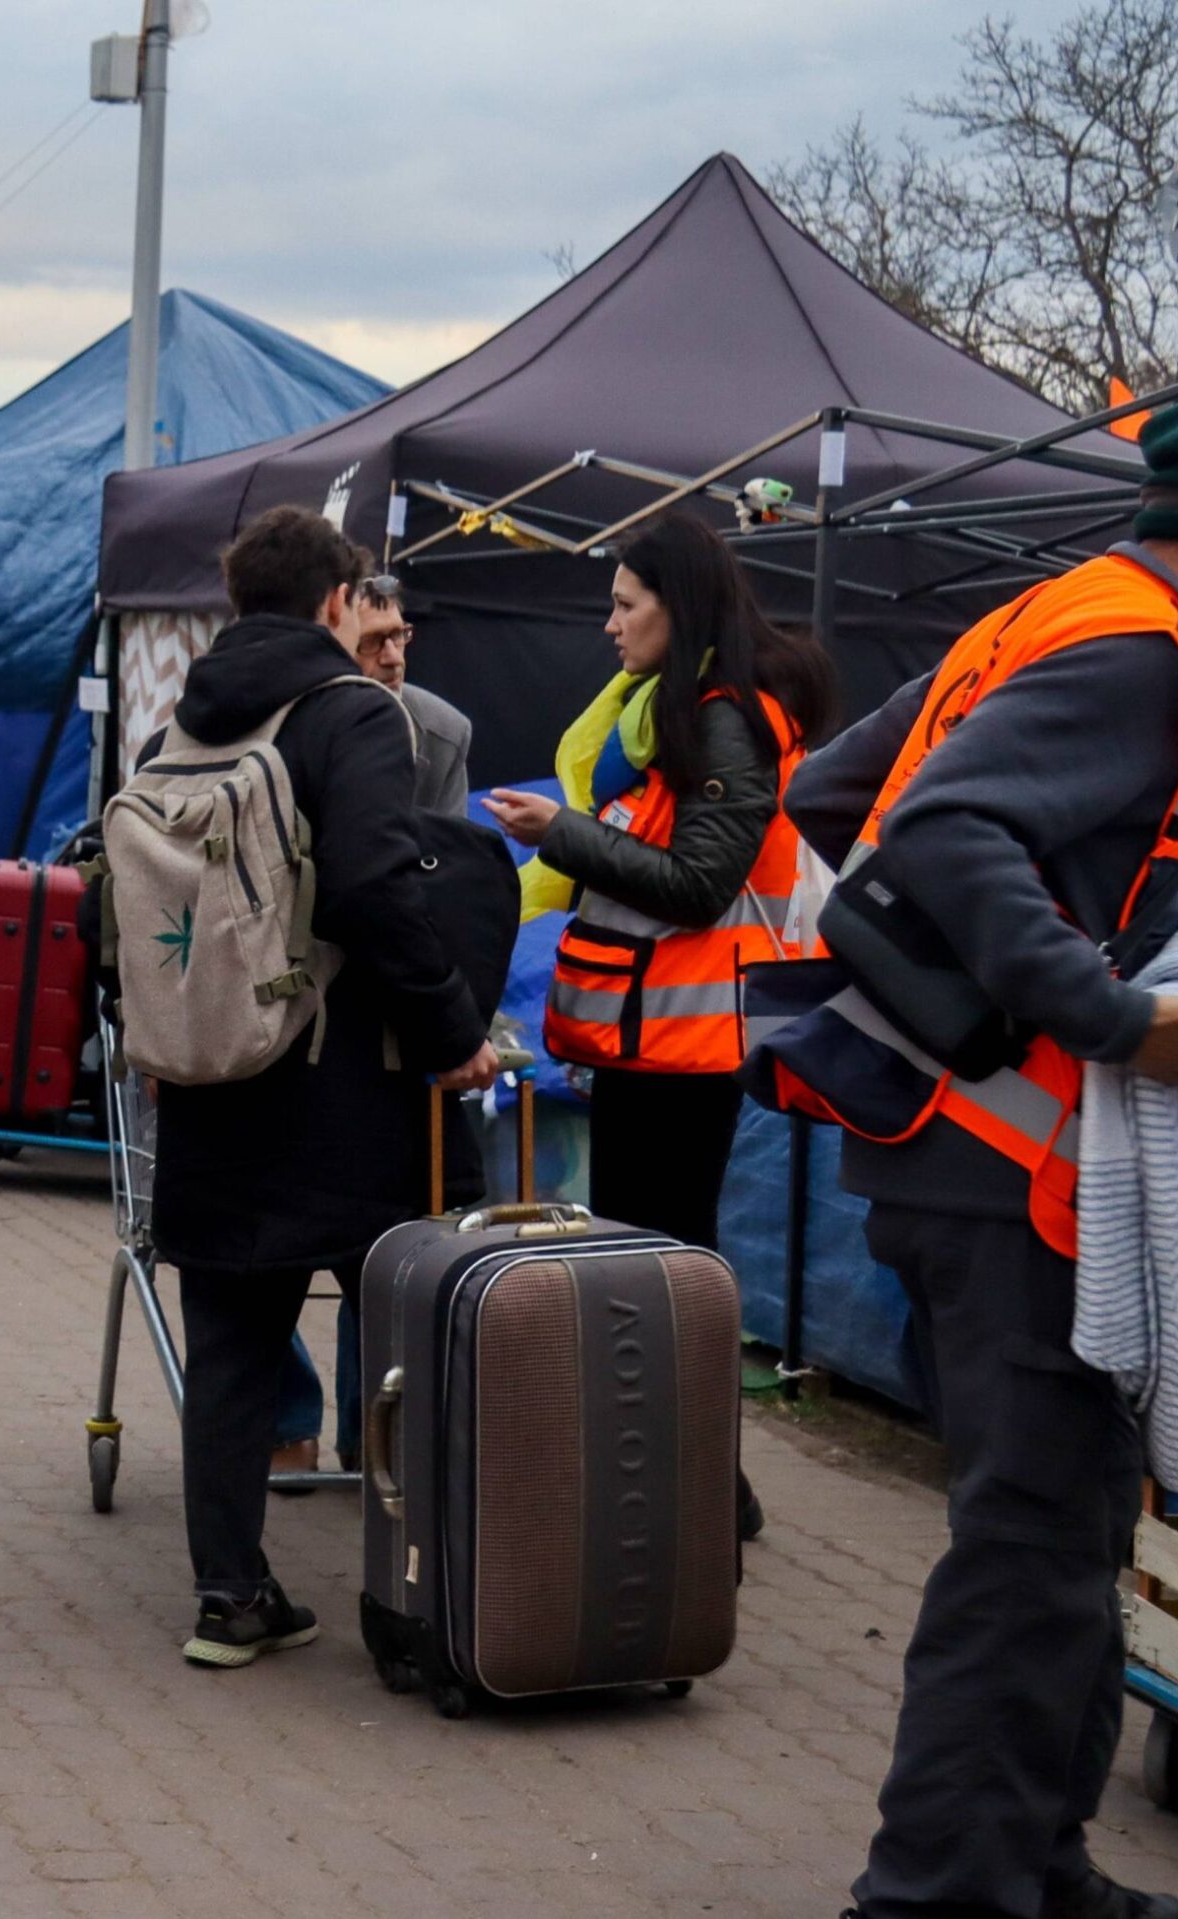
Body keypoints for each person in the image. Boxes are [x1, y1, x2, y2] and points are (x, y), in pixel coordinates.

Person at [783, 389, 1178, 1919]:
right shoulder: (1142, 657)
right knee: (1029, 1549)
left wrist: (984, 979)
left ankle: (1038, 1867)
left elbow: (832, 791)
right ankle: (937, 1893)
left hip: (949, 1159)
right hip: (1015, 1178)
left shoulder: (1056, 610)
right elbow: (946, 829)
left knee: (1063, 1537)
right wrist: (1111, 1011)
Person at [136, 505, 498, 1669]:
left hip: (207, 1075)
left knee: (233, 1347)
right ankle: (414, 1612)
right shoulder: (355, 715)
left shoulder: (175, 733)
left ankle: (228, 1597)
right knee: (406, 1341)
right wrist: (451, 1027)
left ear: (234, 602)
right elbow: (373, 891)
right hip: (344, 1085)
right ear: (337, 602)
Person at [484, 512, 835, 1543]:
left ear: (675, 610)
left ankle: (696, 1494)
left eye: (625, 604)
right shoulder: (676, 715)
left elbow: (695, 884)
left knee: (668, 1270)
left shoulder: (726, 720)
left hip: (688, 1057)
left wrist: (567, 832)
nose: (609, 625)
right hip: (649, 1051)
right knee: (653, 1267)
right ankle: (696, 1487)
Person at [269, 563, 480, 1481]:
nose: (393, 655)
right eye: (374, 640)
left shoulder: (438, 732)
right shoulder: (269, 720)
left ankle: (373, 1434)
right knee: (265, 1244)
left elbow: (435, 885)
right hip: (277, 1000)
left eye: (403, 638)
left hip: (378, 1007)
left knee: (384, 1234)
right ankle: (288, 1417)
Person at [351, 568, 472, 816]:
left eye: (398, 635)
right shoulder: (302, 727)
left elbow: (447, 849)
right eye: (372, 641)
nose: (393, 658)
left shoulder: (445, 735)